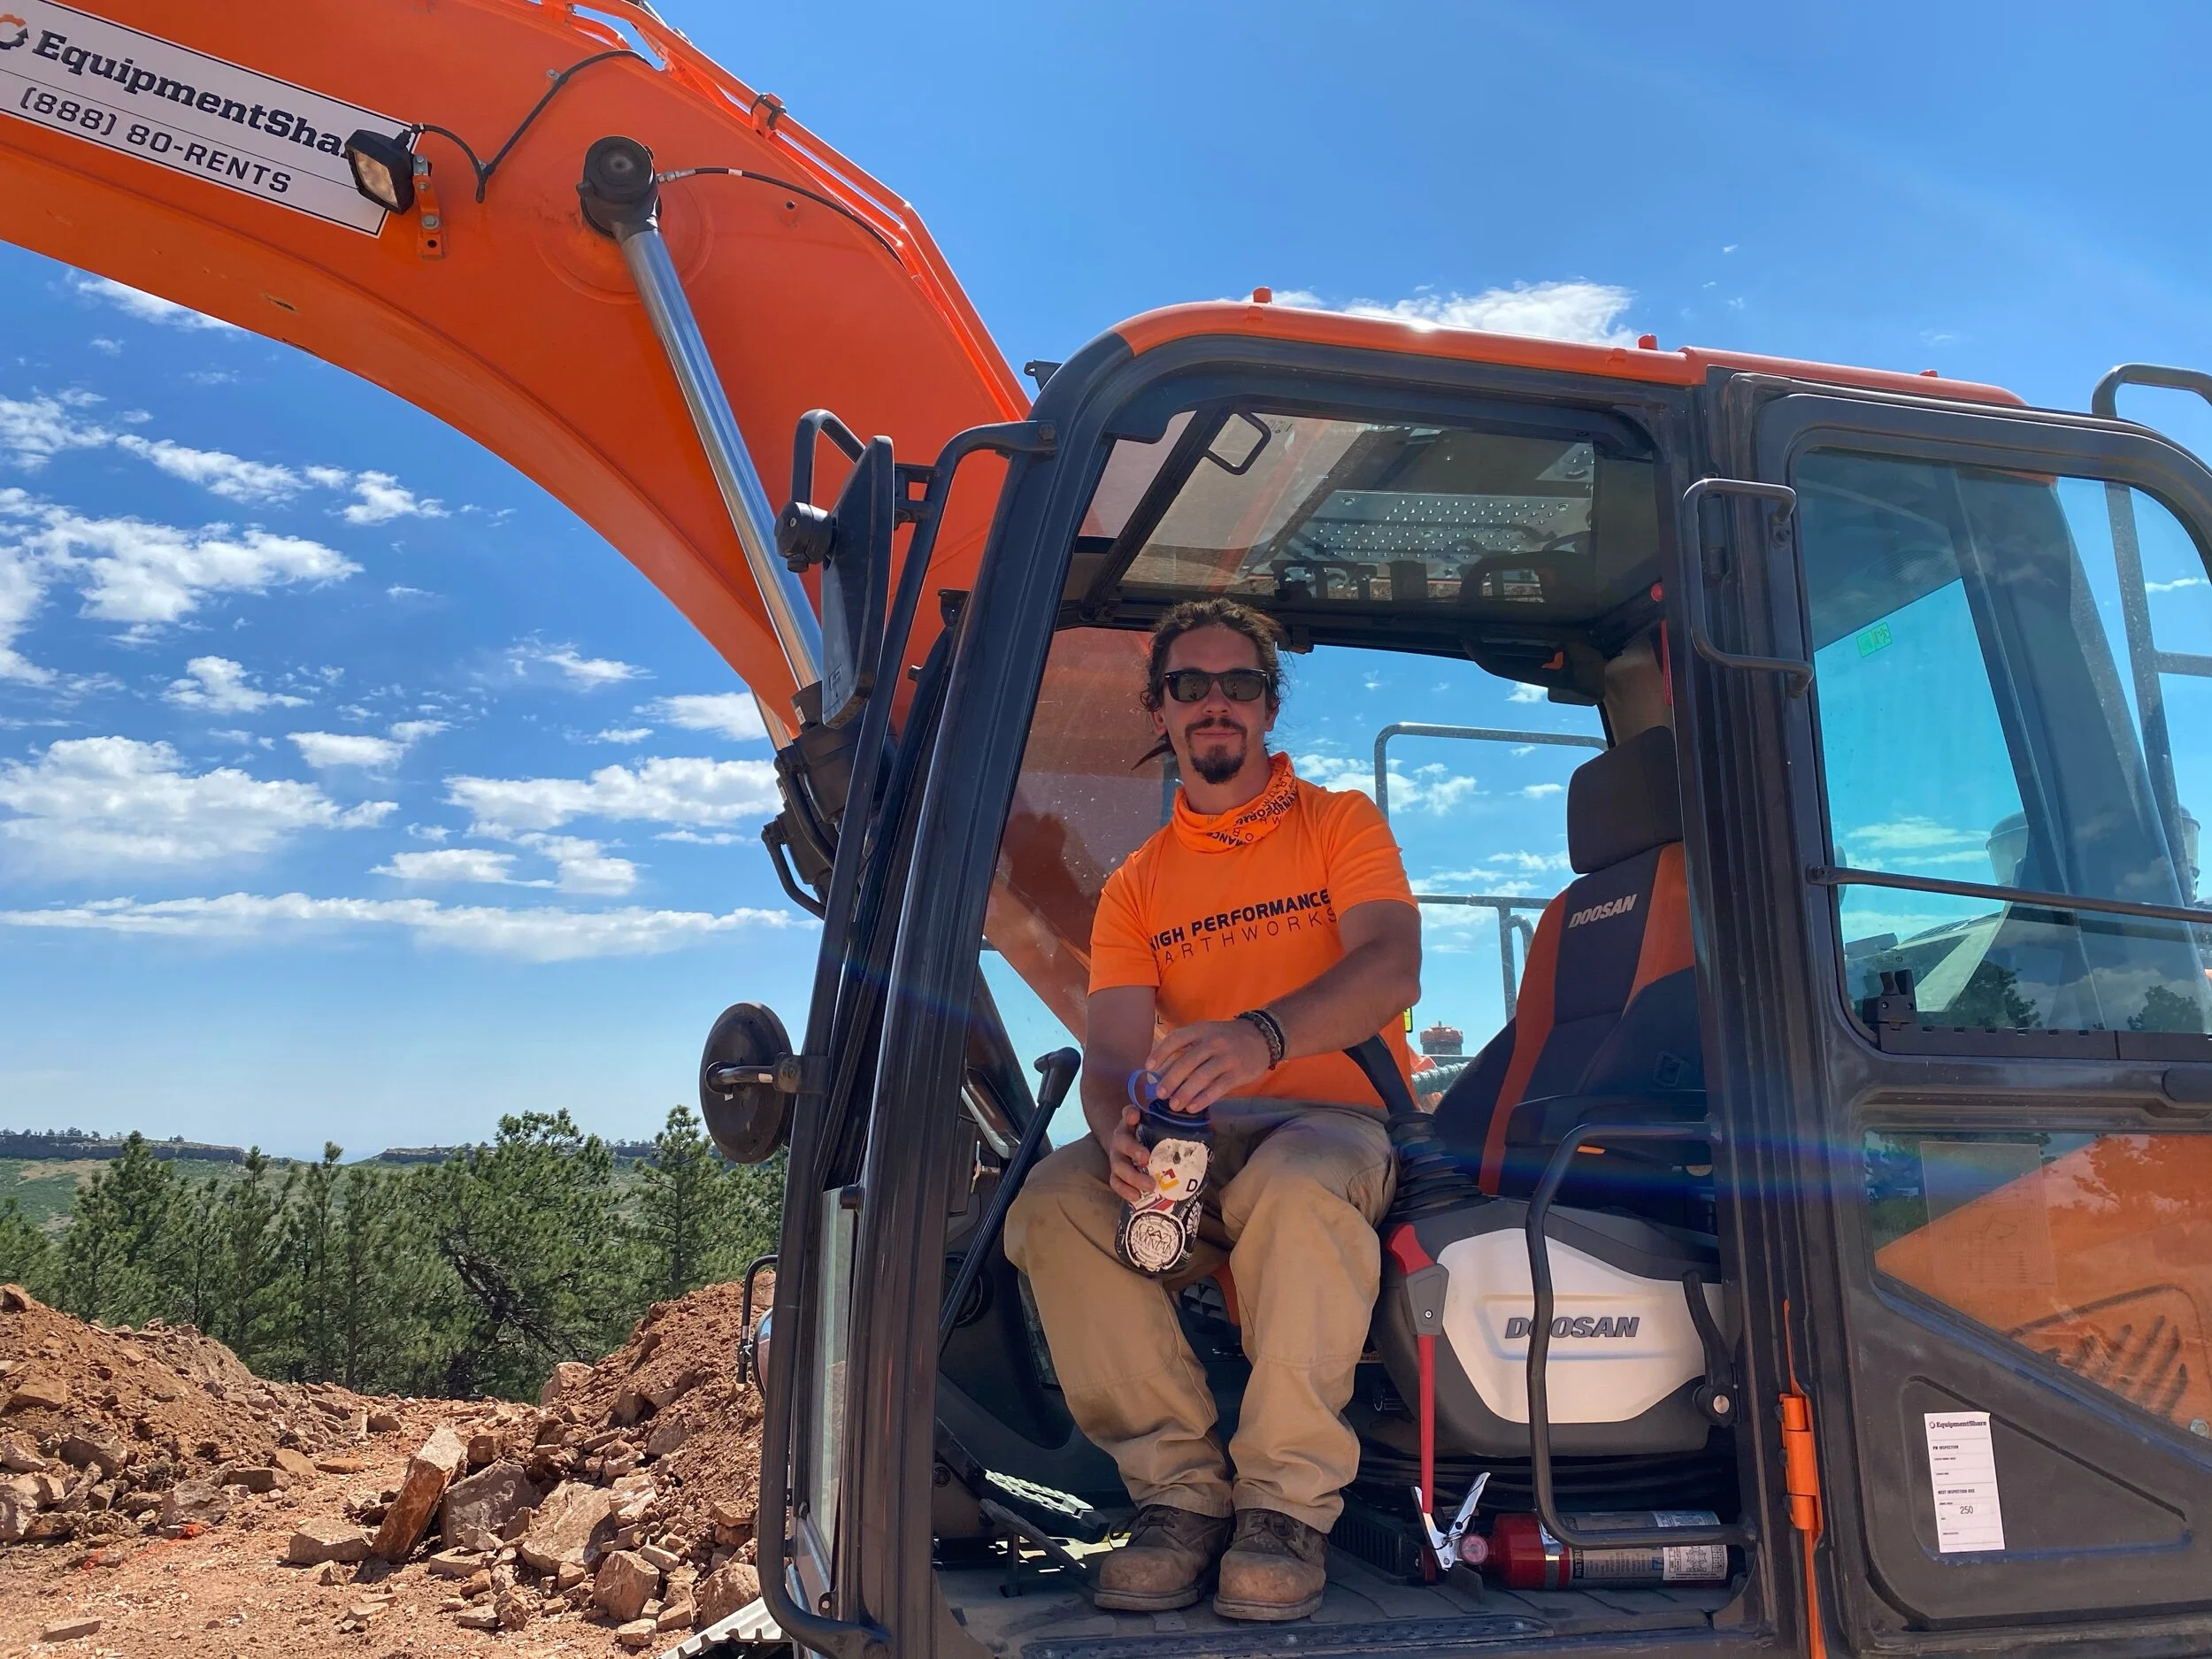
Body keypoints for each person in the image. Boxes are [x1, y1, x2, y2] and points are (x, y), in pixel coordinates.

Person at [1004, 598, 1422, 1623]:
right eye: (1190, 685)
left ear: (1269, 707)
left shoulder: (1338, 826)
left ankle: (1284, 1507)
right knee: (1050, 1207)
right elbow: (1110, 1059)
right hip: (1203, 1146)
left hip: (1335, 1127)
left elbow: (1391, 966)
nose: (1215, 705)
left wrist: (1262, 1036)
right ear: (1161, 708)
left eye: (1239, 684)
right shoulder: (1139, 886)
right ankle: (1180, 1499)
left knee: (1296, 1177)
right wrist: (1118, 1140)